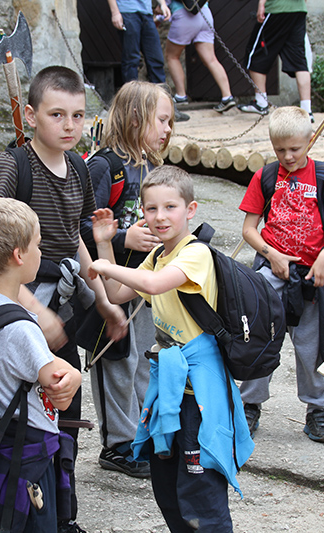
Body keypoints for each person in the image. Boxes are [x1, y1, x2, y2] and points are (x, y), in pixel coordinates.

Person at [0, 65, 127, 533]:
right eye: (56, 114)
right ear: (30, 115)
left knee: (65, 407)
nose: (69, 125)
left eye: (77, 116)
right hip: (15, 302)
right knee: (20, 412)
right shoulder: (12, 167)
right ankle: (9, 509)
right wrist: (34, 309)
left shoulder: (78, 166)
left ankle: (60, 514)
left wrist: (103, 301)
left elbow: (74, 237)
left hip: (62, 299)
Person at [88, 165, 254, 532]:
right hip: (169, 387)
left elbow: (153, 284)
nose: (160, 217)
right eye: (151, 208)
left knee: (200, 492)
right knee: (166, 487)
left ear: (190, 209)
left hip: (199, 393)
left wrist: (104, 266)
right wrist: (104, 243)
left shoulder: (196, 254)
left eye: (170, 207)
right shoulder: (158, 255)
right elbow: (116, 294)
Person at [0, 197, 82, 533]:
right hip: (25, 454)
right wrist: (73, 373)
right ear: (18, 255)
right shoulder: (21, 328)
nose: (41, 253)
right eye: (38, 245)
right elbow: (59, 386)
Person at [237, 106, 324, 444]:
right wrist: (271, 254)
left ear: (310, 141)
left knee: (312, 344)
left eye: (295, 149)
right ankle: (250, 404)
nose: (287, 156)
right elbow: (248, 229)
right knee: (260, 336)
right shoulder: (266, 177)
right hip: (271, 271)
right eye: (280, 150)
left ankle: (317, 409)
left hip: (312, 275)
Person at [80, 81, 170, 479]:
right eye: (161, 120)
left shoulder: (151, 167)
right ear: (136, 118)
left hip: (145, 280)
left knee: (144, 359)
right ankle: (117, 443)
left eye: (169, 121)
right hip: (110, 277)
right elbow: (79, 224)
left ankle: (141, 435)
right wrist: (121, 238)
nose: (167, 129)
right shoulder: (105, 166)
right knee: (115, 359)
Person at [237, 0, 314, 121]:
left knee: (255, 53)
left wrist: (262, 4)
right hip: (299, 10)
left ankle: (261, 102)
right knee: (299, 60)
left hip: (276, 8)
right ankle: (306, 111)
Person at [161, 0, 237, 113]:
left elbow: (165, 5)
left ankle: (181, 96)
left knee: (172, 56)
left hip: (184, 16)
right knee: (211, 59)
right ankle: (227, 96)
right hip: (205, 14)